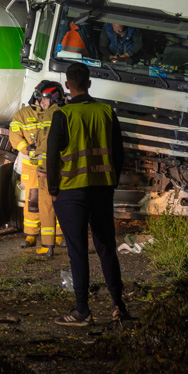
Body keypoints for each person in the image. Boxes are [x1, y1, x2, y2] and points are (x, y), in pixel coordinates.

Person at [46, 62, 127, 326]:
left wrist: (53, 191)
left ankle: (82, 311)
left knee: (77, 251)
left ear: (68, 86)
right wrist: (111, 183)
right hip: (102, 189)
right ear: (89, 83)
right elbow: (119, 153)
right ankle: (118, 305)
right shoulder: (106, 111)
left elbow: (52, 157)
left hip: (71, 193)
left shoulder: (63, 115)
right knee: (106, 249)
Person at [9, 83, 47, 249]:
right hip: (31, 166)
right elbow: (15, 136)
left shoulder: (55, 113)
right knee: (32, 201)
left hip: (52, 166)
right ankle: (31, 235)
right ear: (38, 97)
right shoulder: (22, 115)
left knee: (55, 201)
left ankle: (59, 236)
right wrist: (26, 148)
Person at [35, 81, 67, 257]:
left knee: (46, 206)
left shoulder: (50, 115)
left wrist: (43, 168)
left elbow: (48, 146)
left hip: (49, 171)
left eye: (44, 99)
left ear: (52, 97)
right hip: (64, 169)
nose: (41, 102)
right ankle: (64, 239)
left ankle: (47, 246)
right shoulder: (65, 112)